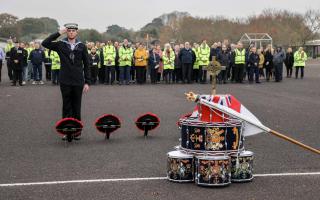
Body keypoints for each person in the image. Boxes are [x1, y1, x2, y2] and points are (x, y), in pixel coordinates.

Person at [42, 23, 90, 140]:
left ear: (76, 32)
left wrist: (87, 82)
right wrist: (59, 33)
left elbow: (87, 64)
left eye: (73, 31)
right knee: (66, 106)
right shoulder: (60, 45)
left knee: (76, 106)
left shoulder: (82, 46)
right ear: (66, 32)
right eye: (69, 31)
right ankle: (66, 130)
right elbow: (45, 43)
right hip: (65, 80)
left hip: (78, 81)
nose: (71, 32)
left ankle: (77, 131)